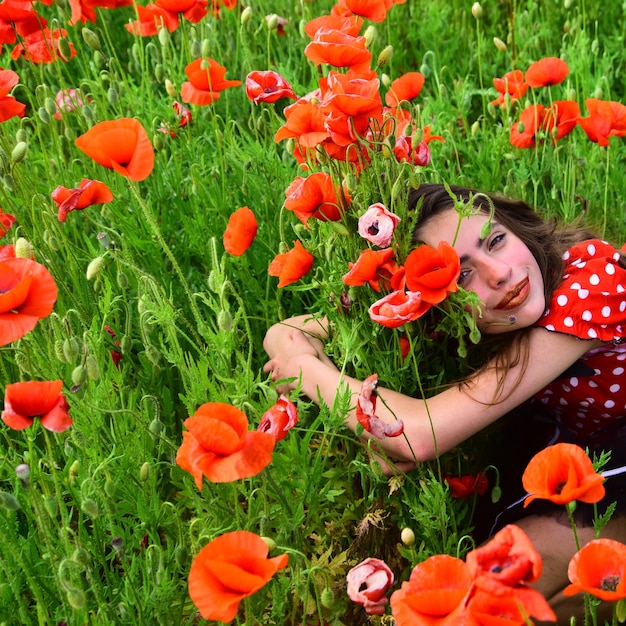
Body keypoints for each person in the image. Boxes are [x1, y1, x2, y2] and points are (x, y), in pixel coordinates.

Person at [263, 183, 626, 621]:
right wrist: (293, 347)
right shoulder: (457, 318)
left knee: (516, 577)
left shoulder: (592, 281)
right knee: (504, 579)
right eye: (462, 274)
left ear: (519, 228)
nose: (499, 275)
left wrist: (305, 369)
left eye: (496, 241)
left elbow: (418, 434)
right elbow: (285, 332)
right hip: (588, 441)